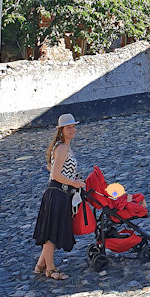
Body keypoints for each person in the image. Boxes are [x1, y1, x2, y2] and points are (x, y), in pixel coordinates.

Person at [32, 113, 86, 280]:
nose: (72, 130)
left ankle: (40, 265)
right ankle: (51, 269)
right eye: (68, 127)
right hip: (57, 192)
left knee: (52, 230)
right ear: (61, 130)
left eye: (73, 126)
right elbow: (55, 175)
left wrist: (72, 179)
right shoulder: (62, 148)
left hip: (60, 192)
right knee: (51, 234)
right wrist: (74, 183)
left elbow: (51, 167)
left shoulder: (63, 147)